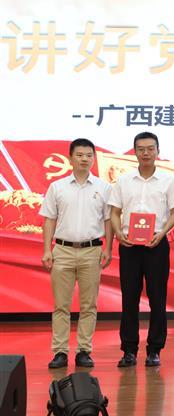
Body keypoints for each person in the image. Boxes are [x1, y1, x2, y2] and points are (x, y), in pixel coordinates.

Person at [109, 131, 174, 367]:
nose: (146, 153)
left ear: (158, 151)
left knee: (157, 299)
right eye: (141, 149)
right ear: (135, 152)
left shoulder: (169, 181)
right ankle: (129, 350)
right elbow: (114, 212)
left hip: (156, 245)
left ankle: (154, 350)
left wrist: (162, 233)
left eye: (150, 148)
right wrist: (118, 232)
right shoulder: (123, 181)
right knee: (129, 298)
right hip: (129, 246)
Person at [41, 138, 113, 369]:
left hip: (92, 250)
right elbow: (49, 219)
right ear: (70, 158)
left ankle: (84, 351)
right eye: (80, 155)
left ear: (93, 158)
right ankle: (60, 351)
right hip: (62, 250)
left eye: (89, 155)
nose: (84, 159)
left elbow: (109, 221)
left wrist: (108, 248)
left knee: (89, 305)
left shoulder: (104, 188)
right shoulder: (57, 187)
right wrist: (47, 249)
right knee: (61, 305)